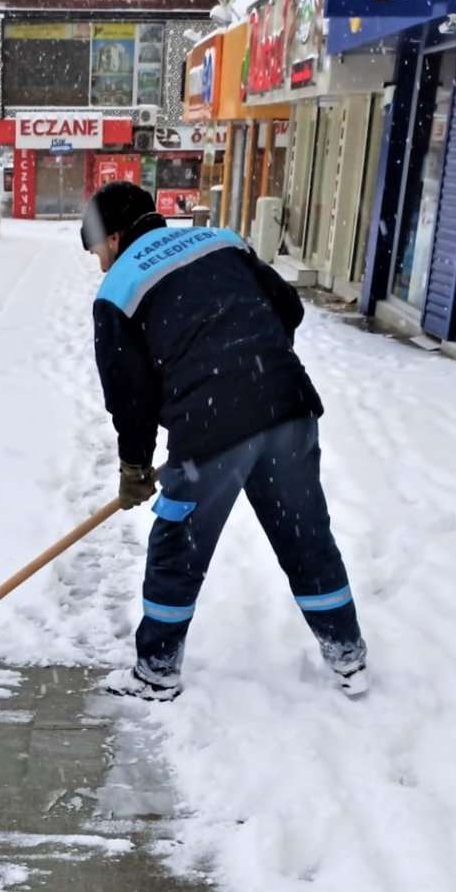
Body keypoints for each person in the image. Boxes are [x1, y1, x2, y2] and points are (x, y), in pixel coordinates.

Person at [80, 181, 368, 701]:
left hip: (210, 431)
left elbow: (131, 397)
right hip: (288, 408)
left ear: (117, 236)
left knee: (177, 547)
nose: (100, 263)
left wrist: (135, 468)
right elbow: (288, 308)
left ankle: (156, 673)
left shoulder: (118, 290)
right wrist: (251, 364)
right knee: (306, 536)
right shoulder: (220, 241)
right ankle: (347, 655)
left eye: (98, 249)